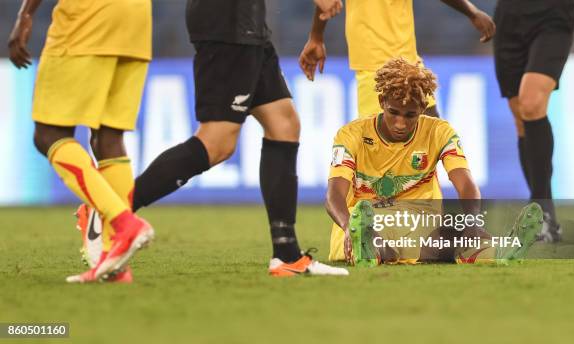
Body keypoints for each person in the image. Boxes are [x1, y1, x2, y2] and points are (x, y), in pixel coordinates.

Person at [77, 0, 349, 277]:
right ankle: (109, 212)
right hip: (227, 22)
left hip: (248, 23)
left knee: (284, 123)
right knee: (216, 143)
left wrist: (316, 34)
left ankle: (287, 255)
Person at [324, 57, 542, 264]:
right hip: (366, 218)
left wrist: (472, 221)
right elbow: (334, 194)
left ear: (422, 107)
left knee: (460, 234)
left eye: (410, 115)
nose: (400, 123)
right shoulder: (351, 135)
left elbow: (465, 183)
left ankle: (503, 249)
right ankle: (366, 247)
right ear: (381, 102)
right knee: (376, 237)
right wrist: (345, 226)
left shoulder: (439, 132)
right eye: (393, 112)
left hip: (421, 221)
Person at [8, 0, 155, 283]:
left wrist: (25, 14)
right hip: (136, 20)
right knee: (108, 138)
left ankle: (124, 223)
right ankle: (114, 261)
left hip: (88, 18)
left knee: (49, 135)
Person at [493, 0, 574, 242]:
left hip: (553, 15)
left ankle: (540, 213)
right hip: (508, 17)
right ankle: (546, 216)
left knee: (531, 103)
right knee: (521, 118)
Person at [299, 0, 496, 118]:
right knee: (386, 165)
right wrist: (316, 36)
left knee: (430, 146)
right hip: (377, 69)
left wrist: (316, 36)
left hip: (404, 63)